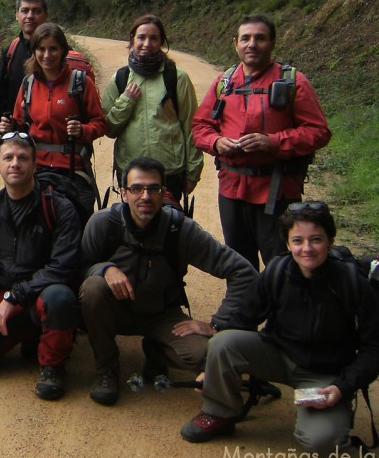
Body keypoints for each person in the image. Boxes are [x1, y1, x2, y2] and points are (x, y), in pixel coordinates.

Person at [180, 202, 379, 452]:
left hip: (324, 373)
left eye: (316, 239)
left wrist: (343, 387)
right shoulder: (278, 271)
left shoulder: (351, 282)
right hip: (278, 355)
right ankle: (221, 413)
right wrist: (211, 366)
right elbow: (244, 316)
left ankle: (334, 416)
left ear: (330, 240)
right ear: (288, 244)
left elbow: (376, 347)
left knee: (320, 440)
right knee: (222, 343)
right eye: (298, 241)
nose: (307, 249)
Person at [79, 157, 256, 406]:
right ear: (123, 192)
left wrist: (218, 323)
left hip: (162, 315)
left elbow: (242, 271)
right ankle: (106, 369)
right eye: (137, 188)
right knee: (93, 288)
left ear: (164, 193)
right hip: (116, 310)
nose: (145, 196)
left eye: (153, 189)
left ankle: (156, 349)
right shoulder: (104, 223)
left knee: (204, 356)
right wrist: (105, 269)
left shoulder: (179, 229)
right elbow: (80, 267)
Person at [193, 14, 331, 268]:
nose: (252, 44)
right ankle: (246, 306)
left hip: (277, 190)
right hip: (231, 189)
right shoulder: (225, 82)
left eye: (260, 38)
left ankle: (280, 308)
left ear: (273, 43)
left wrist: (274, 142)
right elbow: (201, 126)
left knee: (280, 263)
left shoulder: (292, 82)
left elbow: (318, 131)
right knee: (238, 262)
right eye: (245, 38)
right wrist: (216, 142)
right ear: (235, 43)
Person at [0, 133, 80, 401]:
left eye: (23, 158)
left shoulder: (57, 206)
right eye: (7, 158)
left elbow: (62, 267)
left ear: (35, 165)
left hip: (41, 292)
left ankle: (52, 366)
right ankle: (26, 331)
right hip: (3, 296)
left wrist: (15, 296)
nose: (15, 164)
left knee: (60, 298)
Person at [0, 22, 104, 220]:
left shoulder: (81, 83)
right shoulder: (28, 84)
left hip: (72, 170)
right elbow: (20, 126)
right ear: (34, 51)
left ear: (63, 50)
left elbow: (99, 123)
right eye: (41, 49)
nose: (47, 55)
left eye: (53, 48)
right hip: (36, 170)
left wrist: (82, 131)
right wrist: (9, 127)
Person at [101, 14, 203, 206]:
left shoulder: (176, 78)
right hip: (131, 171)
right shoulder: (121, 78)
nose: (147, 43)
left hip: (169, 172)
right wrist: (126, 101)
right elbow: (108, 128)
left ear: (161, 42)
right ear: (132, 39)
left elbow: (192, 126)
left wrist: (193, 172)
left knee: (168, 228)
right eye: (141, 37)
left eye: (153, 38)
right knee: (133, 230)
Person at [0, 0, 50, 114]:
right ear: (16, 15)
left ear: (46, 15)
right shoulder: (9, 52)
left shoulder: (60, 51)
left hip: (51, 130)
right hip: (16, 129)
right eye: (24, 11)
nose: (30, 16)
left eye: (37, 11)